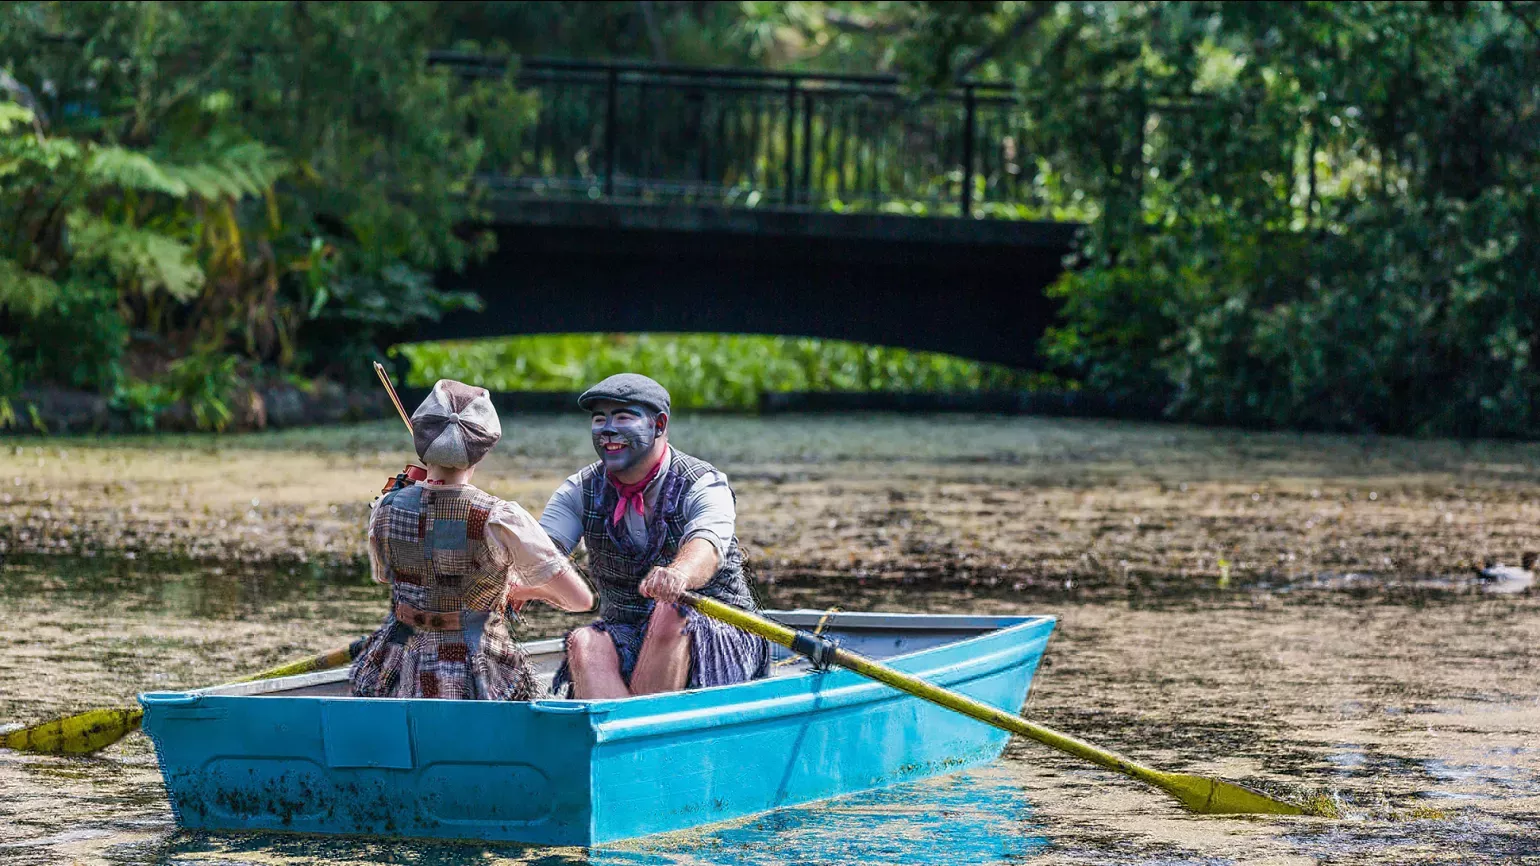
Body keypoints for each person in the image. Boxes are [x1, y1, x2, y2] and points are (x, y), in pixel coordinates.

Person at [350, 379, 594, 700]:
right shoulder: (501, 518)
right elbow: (581, 600)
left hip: (394, 668)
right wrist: (523, 588)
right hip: (473, 676)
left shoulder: (385, 506)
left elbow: (387, 577)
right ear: (483, 449)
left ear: (422, 442)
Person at [534, 373, 771, 699]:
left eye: (623, 417)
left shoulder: (705, 484)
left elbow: (707, 545)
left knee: (669, 612)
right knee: (584, 641)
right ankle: (623, 741)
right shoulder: (579, 490)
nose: (607, 429)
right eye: (599, 419)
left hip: (721, 632)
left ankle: (635, 734)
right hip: (627, 631)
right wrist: (504, 579)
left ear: (659, 424)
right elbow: (541, 553)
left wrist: (678, 574)